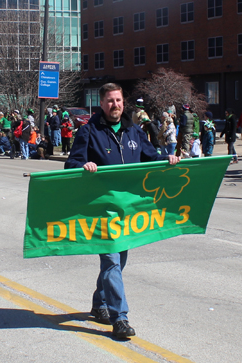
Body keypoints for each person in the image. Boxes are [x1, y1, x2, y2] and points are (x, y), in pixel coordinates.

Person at [64, 83, 181, 339]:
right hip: (102, 209)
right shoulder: (88, 131)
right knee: (111, 261)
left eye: (117, 100)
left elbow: (151, 157)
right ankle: (121, 318)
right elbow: (71, 164)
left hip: (128, 210)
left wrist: (168, 160)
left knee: (119, 261)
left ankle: (99, 302)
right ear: (102, 104)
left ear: (123, 103)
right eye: (109, 101)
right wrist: (84, 164)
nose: (114, 105)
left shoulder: (134, 131)